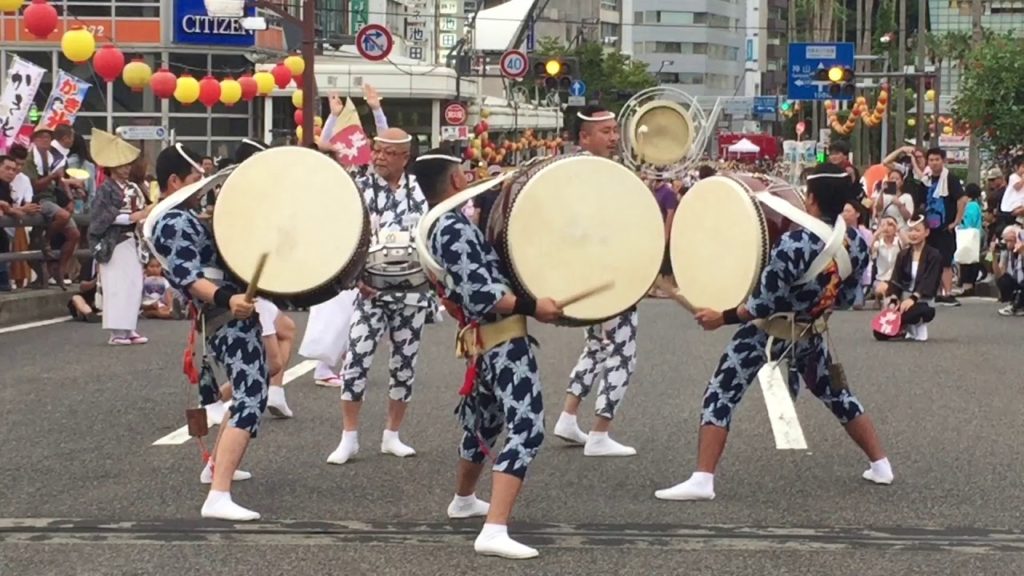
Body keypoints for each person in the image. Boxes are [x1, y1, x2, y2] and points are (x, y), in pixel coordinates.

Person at [655, 163, 893, 502]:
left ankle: (703, 479)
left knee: (721, 393)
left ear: (810, 199)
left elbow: (761, 305)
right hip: (811, 330)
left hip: (767, 332)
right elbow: (849, 298)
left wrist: (720, 317)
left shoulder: (793, 244)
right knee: (837, 395)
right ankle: (881, 464)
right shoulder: (855, 242)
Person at [411, 148, 562, 559]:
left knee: (485, 421)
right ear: (456, 181)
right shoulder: (453, 229)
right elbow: (483, 293)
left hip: (481, 338)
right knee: (527, 427)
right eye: (463, 173)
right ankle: (494, 530)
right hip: (500, 337)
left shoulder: (435, 225)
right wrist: (535, 307)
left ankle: (463, 500)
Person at [148, 142, 265, 521]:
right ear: (173, 181)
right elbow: (189, 277)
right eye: (196, 177)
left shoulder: (182, 217)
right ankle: (218, 494)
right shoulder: (174, 221)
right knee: (250, 396)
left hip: (226, 312)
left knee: (250, 390)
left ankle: (215, 466)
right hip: (223, 313)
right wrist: (229, 299)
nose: (202, 185)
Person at [326, 127, 432, 465]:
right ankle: (349, 437)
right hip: (370, 289)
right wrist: (355, 278)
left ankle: (392, 435)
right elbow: (343, 234)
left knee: (404, 365)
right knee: (356, 360)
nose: (380, 157)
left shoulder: (420, 190)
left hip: (412, 290)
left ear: (405, 157)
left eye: (388, 152)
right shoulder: (359, 185)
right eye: (377, 150)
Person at [553, 105, 639, 457]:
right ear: (584, 137)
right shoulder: (583, 175)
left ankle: (568, 417)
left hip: (596, 272)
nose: (613, 137)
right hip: (604, 274)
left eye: (614, 130)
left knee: (596, 346)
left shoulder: (582, 171)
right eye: (605, 131)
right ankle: (600, 432)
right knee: (622, 350)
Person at [86, 128, 150, 346]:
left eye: (128, 165)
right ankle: (116, 332)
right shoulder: (105, 189)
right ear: (111, 168)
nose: (126, 169)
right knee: (116, 285)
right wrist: (132, 217)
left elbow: (141, 210)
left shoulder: (134, 187)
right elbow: (100, 218)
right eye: (122, 165)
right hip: (114, 241)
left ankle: (130, 327)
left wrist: (141, 218)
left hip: (132, 240)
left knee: (133, 284)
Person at [875, 216, 941, 341]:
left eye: (917, 230)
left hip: (922, 301)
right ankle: (905, 329)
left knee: (913, 312)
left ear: (926, 232)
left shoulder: (934, 255)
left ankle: (915, 325)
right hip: (903, 299)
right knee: (879, 333)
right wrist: (893, 301)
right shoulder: (903, 254)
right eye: (910, 230)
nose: (913, 234)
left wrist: (913, 298)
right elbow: (896, 279)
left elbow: (929, 281)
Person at [920, 148, 966, 306]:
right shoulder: (925, 179)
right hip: (929, 227)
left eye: (937, 159)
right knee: (931, 259)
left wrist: (956, 221)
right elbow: (921, 202)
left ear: (943, 161)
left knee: (946, 260)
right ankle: (936, 291)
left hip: (945, 227)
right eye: (931, 160)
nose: (933, 163)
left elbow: (962, 200)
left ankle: (947, 293)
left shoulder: (950, 179)